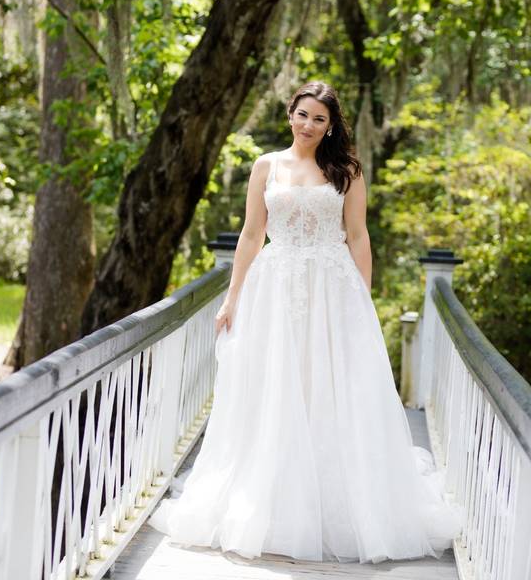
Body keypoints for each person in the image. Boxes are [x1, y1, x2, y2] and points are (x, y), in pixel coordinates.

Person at [148, 81, 463, 564]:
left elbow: (358, 237)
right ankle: (272, 498)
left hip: (332, 289)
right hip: (274, 290)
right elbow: (252, 236)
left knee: (327, 385)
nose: (309, 125)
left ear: (331, 125)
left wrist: (362, 298)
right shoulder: (266, 166)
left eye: (320, 118)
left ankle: (336, 498)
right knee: (276, 386)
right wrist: (231, 299)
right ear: (289, 114)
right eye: (302, 114)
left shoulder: (346, 171)